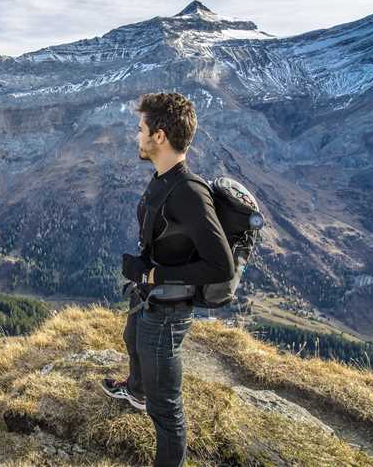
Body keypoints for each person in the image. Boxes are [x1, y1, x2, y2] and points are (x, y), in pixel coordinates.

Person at [101, 92, 235, 467]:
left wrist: (153, 273)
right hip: (151, 296)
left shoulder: (189, 193)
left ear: (159, 136)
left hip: (168, 312)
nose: (136, 136)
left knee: (168, 411)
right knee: (131, 338)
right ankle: (136, 391)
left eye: (141, 128)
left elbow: (220, 266)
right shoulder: (164, 178)